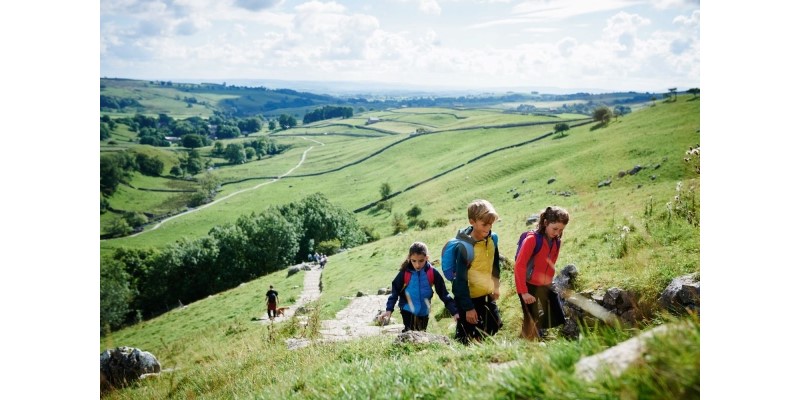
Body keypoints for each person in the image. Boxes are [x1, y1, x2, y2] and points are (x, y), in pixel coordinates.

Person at [514, 206, 570, 340]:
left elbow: (551, 264)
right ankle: (526, 342)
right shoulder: (532, 240)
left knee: (558, 316)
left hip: (546, 284)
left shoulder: (557, 241)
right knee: (530, 320)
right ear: (545, 223)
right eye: (555, 228)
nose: (557, 232)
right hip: (527, 285)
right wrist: (524, 292)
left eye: (561, 229)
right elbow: (519, 266)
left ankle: (533, 329)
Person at [452, 199, 502, 344]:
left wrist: (496, 286)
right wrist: (468, 308)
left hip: (486, 294)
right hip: (468, 298)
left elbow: (495, 265)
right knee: (465, 338)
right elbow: (459, 280)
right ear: (472, 222)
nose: (488, 228)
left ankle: (481, 348)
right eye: (484, 224)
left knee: (494, 325)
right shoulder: (464, 247)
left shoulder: (492, 239)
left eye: (491, 224)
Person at [380, 242, 458, 332]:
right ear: (409, 258)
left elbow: (444, 294)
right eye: (414, 261)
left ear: (427, 258)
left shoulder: (433, 273)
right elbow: (394, 293)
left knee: (421, 334)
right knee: (410, 333)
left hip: (424, 311)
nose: (417, 265)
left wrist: (455, 312)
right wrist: (389, 310)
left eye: (421, 261)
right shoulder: (404, 273)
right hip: (407, 309)